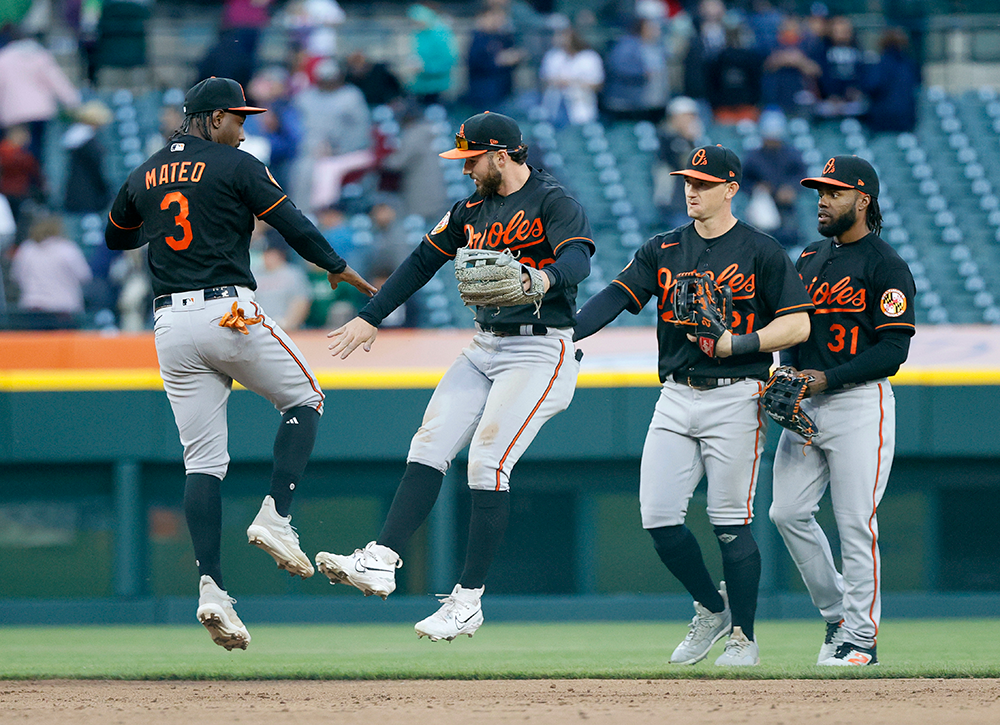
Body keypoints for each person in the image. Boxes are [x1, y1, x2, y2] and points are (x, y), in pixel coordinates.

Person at [104, 77, 376, 651]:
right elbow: (292, 222)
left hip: (170, 326)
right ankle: (275, 516)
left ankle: (211, 588)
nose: (243, 128)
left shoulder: (144, 171)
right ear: (209, 118)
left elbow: (114, 236)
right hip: (228, 311)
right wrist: (336, 265)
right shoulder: (236, 164)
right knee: (305, 400)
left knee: (202, 463)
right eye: (236, 117)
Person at [315, 111, 594, 642]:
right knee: (429, 442)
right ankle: (382, 558)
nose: (464, 168)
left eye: (471, 158)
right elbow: (421, 261)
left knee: (487, 462)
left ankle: (467, 602)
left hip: (541, 349)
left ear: (501, 154)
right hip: (485, 344)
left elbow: (578, 261)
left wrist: (543, 278)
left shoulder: (553, 201)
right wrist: (371, 316)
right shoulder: (470, 210)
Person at [573, 145, 813, 666]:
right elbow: (615, 296)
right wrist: (565, 334)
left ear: (731, 189)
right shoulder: (663, 248)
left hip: (737, 394)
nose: (692, 189)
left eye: (704, 182)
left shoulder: (761, 249)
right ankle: (711, 607)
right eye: (688, 180)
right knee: (658, 518)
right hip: (676, 394)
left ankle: (743, 638)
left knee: (729, 521)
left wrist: (739, 344)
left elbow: (797, 324)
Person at [769, 156, 915, 666]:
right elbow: (794, 327)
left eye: (833, 192)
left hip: (859, 404)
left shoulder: (886, 264)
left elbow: (894, 350)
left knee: (855, 523)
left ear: (863, 200)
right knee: (785, 512)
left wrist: (826, 378)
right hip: (808, 404)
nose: (822, 200)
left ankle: (862, 639)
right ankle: (837, 616)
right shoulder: (809, 257)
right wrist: (785, 373)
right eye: (820, 192)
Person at [11, 213, 92, 330]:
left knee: (35, 347)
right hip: (63, 310)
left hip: (33, 309)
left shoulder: (26, 249)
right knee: (63, 347)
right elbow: (84, 276)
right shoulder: (67, 249)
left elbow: (16, 277)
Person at [741, 110, 806, 250]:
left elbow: (801, 175)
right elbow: (742, 180)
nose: (772, 142)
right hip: (763, 208)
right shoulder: (754, 157)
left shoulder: (791, 154)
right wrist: (757, 188)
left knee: (790, 241)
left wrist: (792, 188)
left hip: (787, 208)